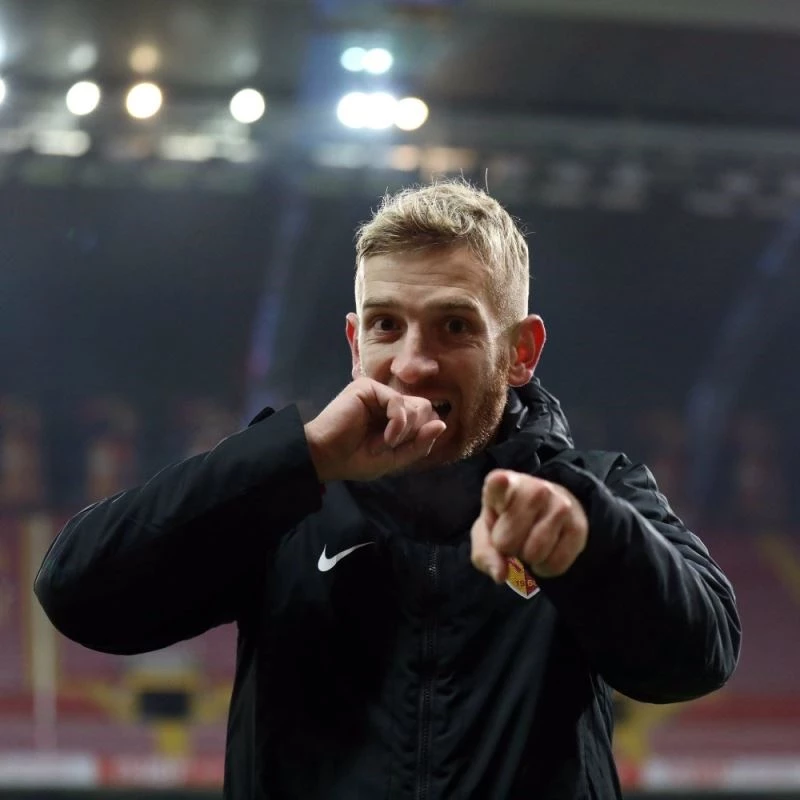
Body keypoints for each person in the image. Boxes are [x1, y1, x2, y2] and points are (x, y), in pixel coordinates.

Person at [34, 180, 741, 799]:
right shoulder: (282, 495)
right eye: (386, 325)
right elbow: (79, 595)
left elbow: (697, 661)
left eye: (454, 326)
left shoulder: (595, 495)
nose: (412, 363)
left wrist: (588, 544)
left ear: (520, 352)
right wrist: (302, 457)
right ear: (355, 343)